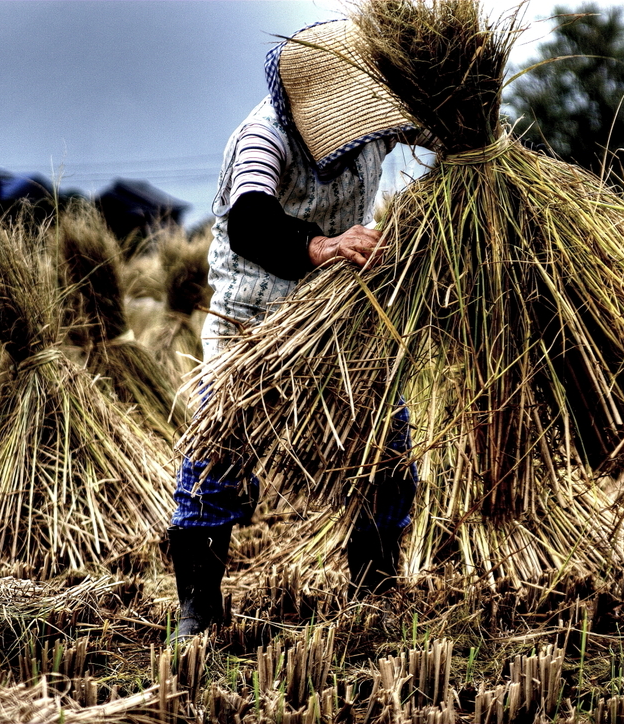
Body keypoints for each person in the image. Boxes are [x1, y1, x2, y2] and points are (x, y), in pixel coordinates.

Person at [166, 18, 429, 643]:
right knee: (217, 460)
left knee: (386, 455)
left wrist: (467, 139)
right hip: (254, 329)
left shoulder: (367, 124)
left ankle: (374, 596)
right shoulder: (263, 135)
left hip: (342, 324)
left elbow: (435, 131)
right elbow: (250, 222)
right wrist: (321, 245)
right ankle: (198, 609)